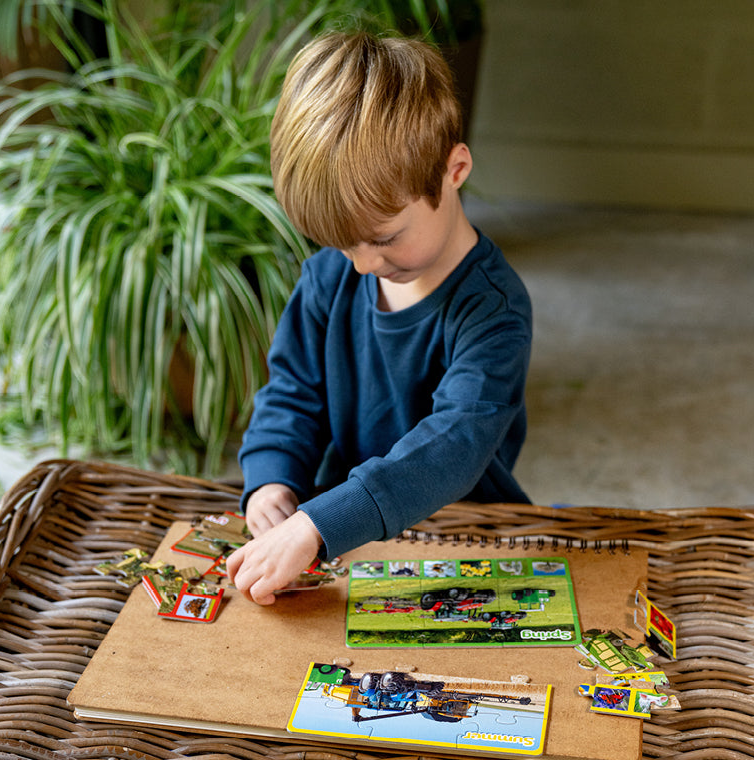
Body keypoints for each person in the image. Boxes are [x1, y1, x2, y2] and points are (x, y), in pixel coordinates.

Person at [227, 31, 532, 605]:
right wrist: (271, 478)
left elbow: (455, 444)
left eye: (384, 237)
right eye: (342, 244)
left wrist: (318, 524)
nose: (364, 264)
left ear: (455, 169)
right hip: (343, 529)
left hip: (463, 533)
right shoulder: (327, 278)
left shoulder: (494, 307)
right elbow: (291, 393)